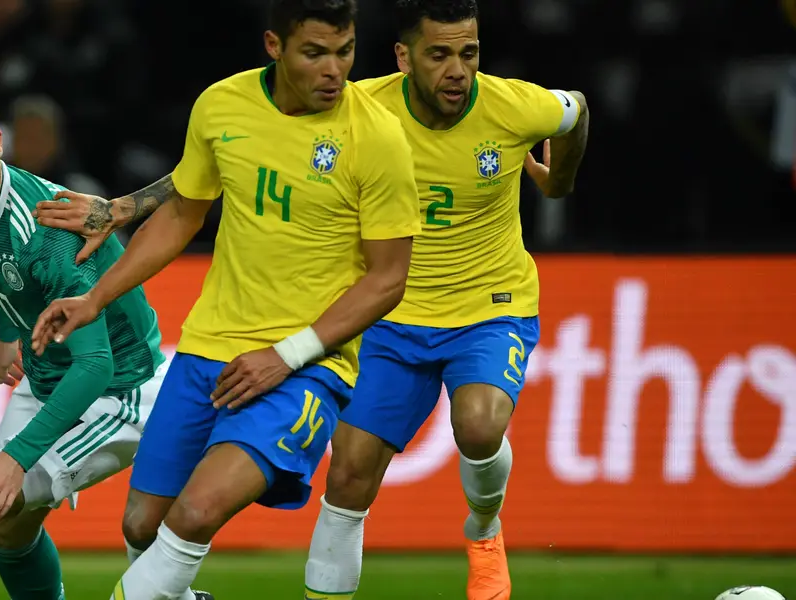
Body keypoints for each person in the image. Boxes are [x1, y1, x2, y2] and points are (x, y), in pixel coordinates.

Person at [36, 2, 591, 598]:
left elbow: (575, 112)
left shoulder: (408, 127)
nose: (457, 71)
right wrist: (111, 249)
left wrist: (560, 181)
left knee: (478, 427)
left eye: (469, 54)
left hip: (431, 319)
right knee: (179, 516)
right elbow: (195, 192)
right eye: (439, 54)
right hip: (296, 334)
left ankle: (484, 531)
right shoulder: (260, 104)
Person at [29, 1, 422, 598]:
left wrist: (287, 356)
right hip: (207, 350)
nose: (334, 71)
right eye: (314, 53)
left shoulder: (377, 136)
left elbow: (388, 279)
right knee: (141, 524)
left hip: (305, 368)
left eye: (344, 52)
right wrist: (95, 300)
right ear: (274, 45)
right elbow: (185, 210)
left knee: (196, 512)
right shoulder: (221, 106)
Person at [0, 82, 170, 600]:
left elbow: (95, 364)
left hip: (117, 392)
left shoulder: (47, 232)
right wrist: (8, 332)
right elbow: (4, 280)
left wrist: (17, 457)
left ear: (0, 141)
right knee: (8, 528)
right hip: (49, 377)